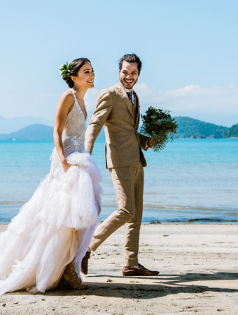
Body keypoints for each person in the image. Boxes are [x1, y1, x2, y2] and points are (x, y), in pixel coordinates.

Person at [0, 58, 102, 295]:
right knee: (61, 218)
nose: (92, 76)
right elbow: (57, 131)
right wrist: (63, 160)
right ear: (73, 76)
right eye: (86, 72)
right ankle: (65, 270)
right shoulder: (68, 96)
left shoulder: (82, 100)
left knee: (82, 214)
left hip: (80, 160)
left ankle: (66, 267)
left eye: (92, 71)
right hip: (68, 162)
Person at [83, 53, 159, 277]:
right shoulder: (109, 94)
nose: (129, 76)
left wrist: (145, 141)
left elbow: (128, 130)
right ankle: (86, 249)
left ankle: (131, 263)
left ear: (138, 74)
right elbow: (95, 124)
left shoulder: (134, 96)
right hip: (119, 161)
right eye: (125, 71)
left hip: (137, 161)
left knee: (136, 215)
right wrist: (86, 154)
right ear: (119, 71)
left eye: (133, 72)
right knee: (126, 210)